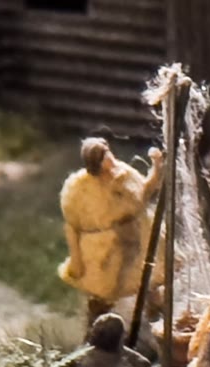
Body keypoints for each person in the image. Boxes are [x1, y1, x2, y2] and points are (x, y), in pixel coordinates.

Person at [59, 138, 163, 325]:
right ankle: (98, 330)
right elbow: (72, 226)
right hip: (105, 250)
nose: (110, 157)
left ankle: (154, 325)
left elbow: (144, 193)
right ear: (95, 162)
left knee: (150, 283)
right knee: (103, 295)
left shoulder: (124, 173)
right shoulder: (79, 188)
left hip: (138, 237)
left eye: (108, 151)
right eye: (104, 155)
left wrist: (157, 167)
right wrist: (76, 259)